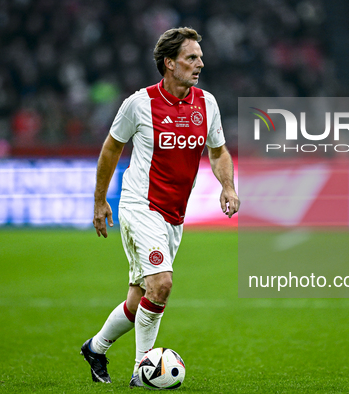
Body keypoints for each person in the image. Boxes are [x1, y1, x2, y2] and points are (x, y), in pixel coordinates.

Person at [80, 27, 239, 387]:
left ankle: (96, 347)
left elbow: (217, 151)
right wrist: (99, 199)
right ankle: (143, 369)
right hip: (140, 205)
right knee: (162, 284)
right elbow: (111, 148)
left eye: (199, 57)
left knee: (141, 300)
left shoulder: (206, 103)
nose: (200, 63)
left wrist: (227, 185)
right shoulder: (139, 103)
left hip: (174, 215)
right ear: (169, 63)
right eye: (191, 57)